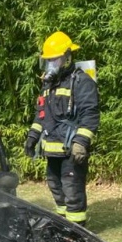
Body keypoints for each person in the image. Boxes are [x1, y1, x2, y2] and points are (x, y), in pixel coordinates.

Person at [24, 31, 99, 227]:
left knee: (72, 191)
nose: (51, 65)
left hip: (71, 150)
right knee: (56, 188)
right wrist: (32, 137)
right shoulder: (48, 85)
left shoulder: (81, 81)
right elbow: (41, 115)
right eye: (48, 61)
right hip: (52, 149)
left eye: (54, 60)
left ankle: (77, 231)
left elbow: (90, 115)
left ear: (67, 58)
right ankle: (63, 226)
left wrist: (81, 143)